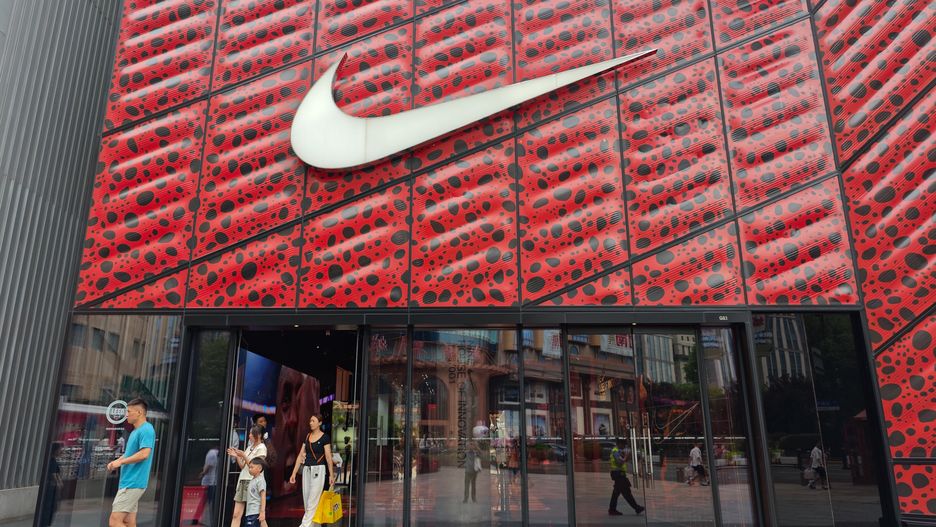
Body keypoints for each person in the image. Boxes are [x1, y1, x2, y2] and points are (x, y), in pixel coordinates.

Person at [106, 398, 156, 527]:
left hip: (133, 482)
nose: (126, 415)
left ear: (139, 412)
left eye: (128, 411)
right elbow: (129, 454)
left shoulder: (146, 429)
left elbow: (144, 454)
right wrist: (117, 461)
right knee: (128, 521)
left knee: (114, 521)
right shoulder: (135, 431)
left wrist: (121, 463)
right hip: (129, 482)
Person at [289, 414, 336, 527]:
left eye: (313, 421)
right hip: (306, 470)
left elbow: (328, 457)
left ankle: (304, 526)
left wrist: (331, 475)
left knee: (312, 502)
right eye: (310, 421)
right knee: (307, 501)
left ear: (320, 423)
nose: (310, 423)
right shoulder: (307, 436)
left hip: (318, 470)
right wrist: (294, 473)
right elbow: (300, 455)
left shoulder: (325, 437)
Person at [227, 426, 267, 527]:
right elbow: (242, 466)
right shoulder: (249, 447)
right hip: (243, 480)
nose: (249, 436)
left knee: (258, 516)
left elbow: (257, 467)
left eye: (251, 434)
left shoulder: (262, 448)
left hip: (253, 481)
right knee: (236, 514)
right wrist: (237, 456)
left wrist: (244, 455)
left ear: (258, 435)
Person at [608, 438, 644, 516]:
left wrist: (627, 457)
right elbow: (620, 462)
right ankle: (636, 507)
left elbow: (623, 460)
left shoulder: (618, 451)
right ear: (619, 444)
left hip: (619, 474)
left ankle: (612, 509)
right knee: (626, 492)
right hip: (618, 474)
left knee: (616, 493)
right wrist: (626, 457)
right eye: (623, 445)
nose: (624, 446)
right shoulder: (615, 451)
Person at [39, 443, 63, 526]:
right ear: (55, 450)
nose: (60, 451)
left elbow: (56, 474)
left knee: (51, 508)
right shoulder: (52, 461)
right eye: (59, 449)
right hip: (50, 488)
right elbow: (54, 474)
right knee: (48, 507)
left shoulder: (53, 461)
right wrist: (59, 484)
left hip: (52, 487)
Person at [198, 447, 219, 527]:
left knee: (205, 502)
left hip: (209, 481)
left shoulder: (211, 452)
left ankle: (204, 520)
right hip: (214, 481)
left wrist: (202, 473)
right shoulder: (217, 453)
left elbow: (208, 466)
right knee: (210, 503)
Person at [243, 458, 267, 527]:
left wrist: (262, 512)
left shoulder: (260, 480)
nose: (249, 469)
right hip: (250, 512)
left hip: (255, 512)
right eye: (249, 467)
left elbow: (263, 496)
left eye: (252, 467)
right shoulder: (252, 480)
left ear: (259, 468)